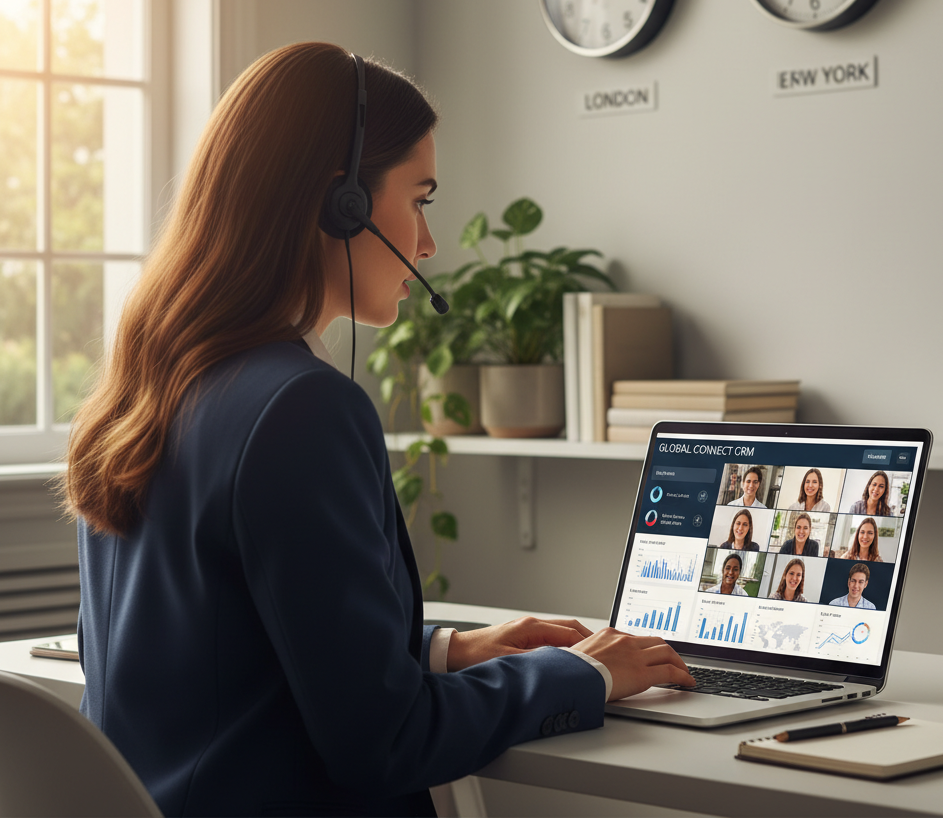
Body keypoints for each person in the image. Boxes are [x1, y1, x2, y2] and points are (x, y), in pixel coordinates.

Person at [61, 43, 693, 817]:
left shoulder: (141, 388)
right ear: (343, 203)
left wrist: (445, 651)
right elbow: (385, 740)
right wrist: (586, 673)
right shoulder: (300, 408)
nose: (427, 245)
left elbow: (189, 661)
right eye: (420, 199)